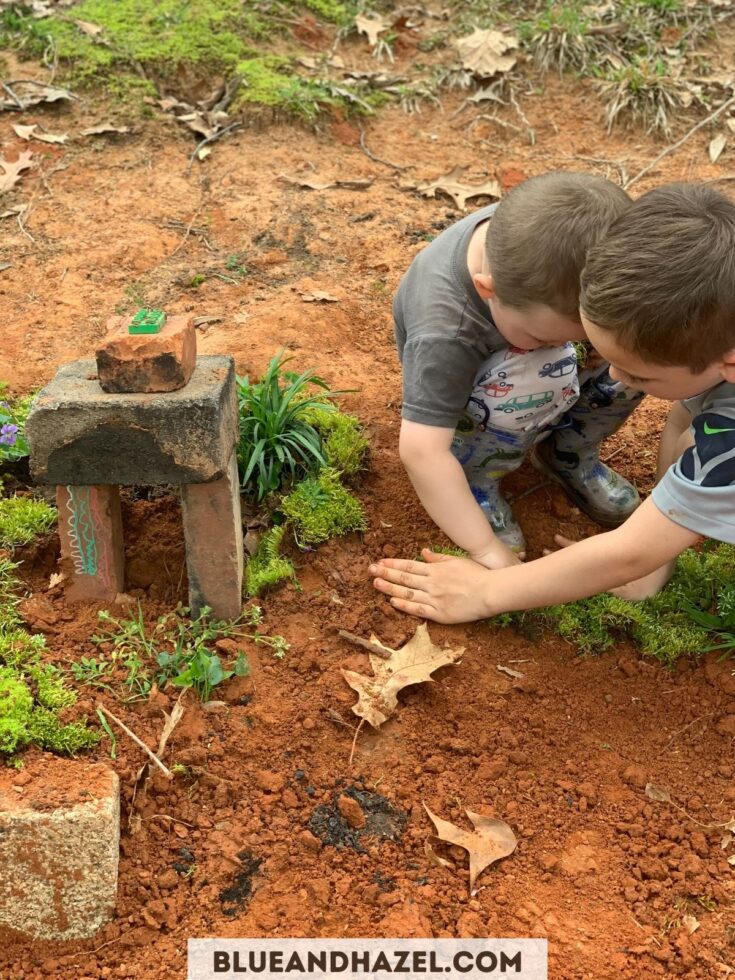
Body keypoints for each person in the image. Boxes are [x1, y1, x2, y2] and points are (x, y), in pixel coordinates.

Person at [370, 182, 735, 624]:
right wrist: (663, 537)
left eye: (639, 373)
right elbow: (686, 416)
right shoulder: (449, 326)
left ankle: (570, 457)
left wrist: (487, 591)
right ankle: (490, 475)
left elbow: (628, 554)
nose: (615, 379)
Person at [394, 171, 641, 569]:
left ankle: (569, 453)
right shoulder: (446, 334)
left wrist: (599, 345)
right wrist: (484, 549)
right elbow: (422, 451)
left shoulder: (539, 236)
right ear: (488, 289)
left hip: (519, 345)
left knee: (638, 352)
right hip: (478, 384)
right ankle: (477, 478)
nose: (567, 345)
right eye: (543, 335)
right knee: (543, 370)